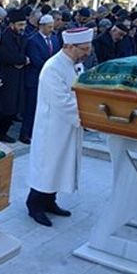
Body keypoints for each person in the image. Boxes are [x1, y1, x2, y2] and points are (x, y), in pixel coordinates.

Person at [26, 27, 93, 227]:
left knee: (60, 166)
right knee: (47, 166)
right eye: (84, 49)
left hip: (68, 126)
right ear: (70, 46)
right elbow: (62, 101)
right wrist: (87, 115)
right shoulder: (52, 68)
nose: (87, 53)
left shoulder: (75, 64)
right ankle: (34, 205)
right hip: (52, 128)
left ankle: (49, 201)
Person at [21, 14, 59, 144]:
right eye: (49, 27)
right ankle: (26, 132)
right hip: (35, 79)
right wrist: (52, 69)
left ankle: (39, 132)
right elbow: (36, 60)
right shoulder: (33, 40)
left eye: (52, 27)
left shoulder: (54, 39)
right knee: (31, 107)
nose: (51, 29)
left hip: (50, 79)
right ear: (41, 26)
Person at [0, 8, 29, 143]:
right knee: (5, 108)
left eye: (23, 25)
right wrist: (22, 60)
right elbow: (6, 56)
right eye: (20, 25)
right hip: (8, 77)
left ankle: (3, 132)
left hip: (18, 77)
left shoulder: (22, 37)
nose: (22, 28)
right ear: (12, 25)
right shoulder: (5, 37)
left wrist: (22, 60)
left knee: (14, 109)